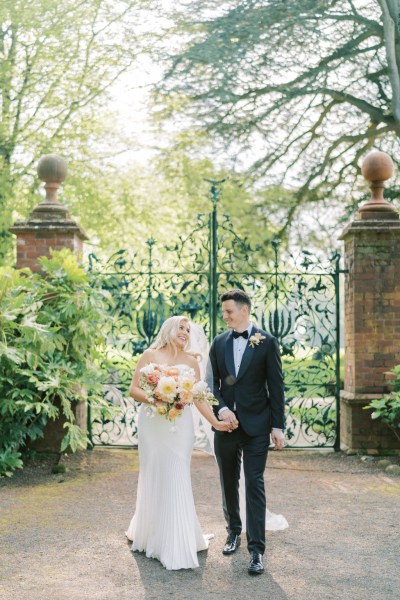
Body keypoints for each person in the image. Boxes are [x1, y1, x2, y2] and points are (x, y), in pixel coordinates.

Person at [125, 315, 233, 570]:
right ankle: (153, 534)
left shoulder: (192, 362)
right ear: (169, 330)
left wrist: (216, 423)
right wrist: (157, 398)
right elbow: (134, 390)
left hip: (179, 428)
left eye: (188, 329)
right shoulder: (149, 356)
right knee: (154, 474)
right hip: (153, 424)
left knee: (176, 474)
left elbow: (198, 397)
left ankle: (177, 540)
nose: (185, 332)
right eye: (181, 328)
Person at [208, 289, 285, 575]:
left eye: (229, 311)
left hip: (257, 426)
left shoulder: (267, 342)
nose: (225, 316)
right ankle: (233, 532)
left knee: (254, 483)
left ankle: (257, 550)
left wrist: (278, 426)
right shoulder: (218, 343)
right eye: (224, 311)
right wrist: (222, 409)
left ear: (245, 310)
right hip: (226, 426)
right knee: (228, 480)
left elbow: (276, 387)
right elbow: (213, 385)